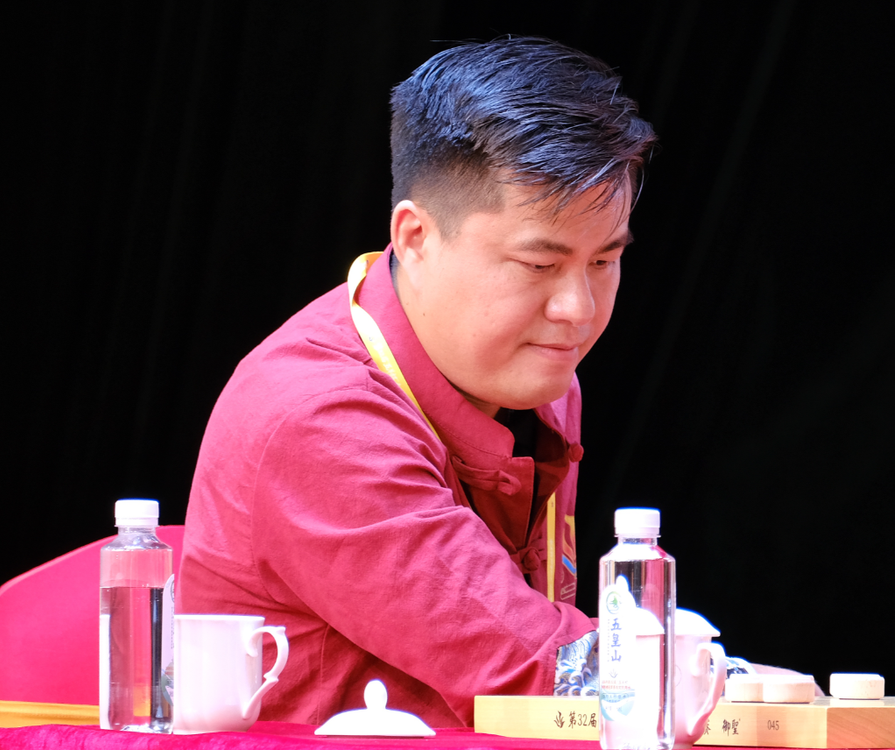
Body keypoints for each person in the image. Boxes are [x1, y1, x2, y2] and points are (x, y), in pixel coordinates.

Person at [178, 36, 656, 728]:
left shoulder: (538, 374)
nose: (577, 310)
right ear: (415, 237)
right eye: (538, 266)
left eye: (604, 261)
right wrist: (728, 681)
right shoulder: (318, 417)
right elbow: (536, 666)